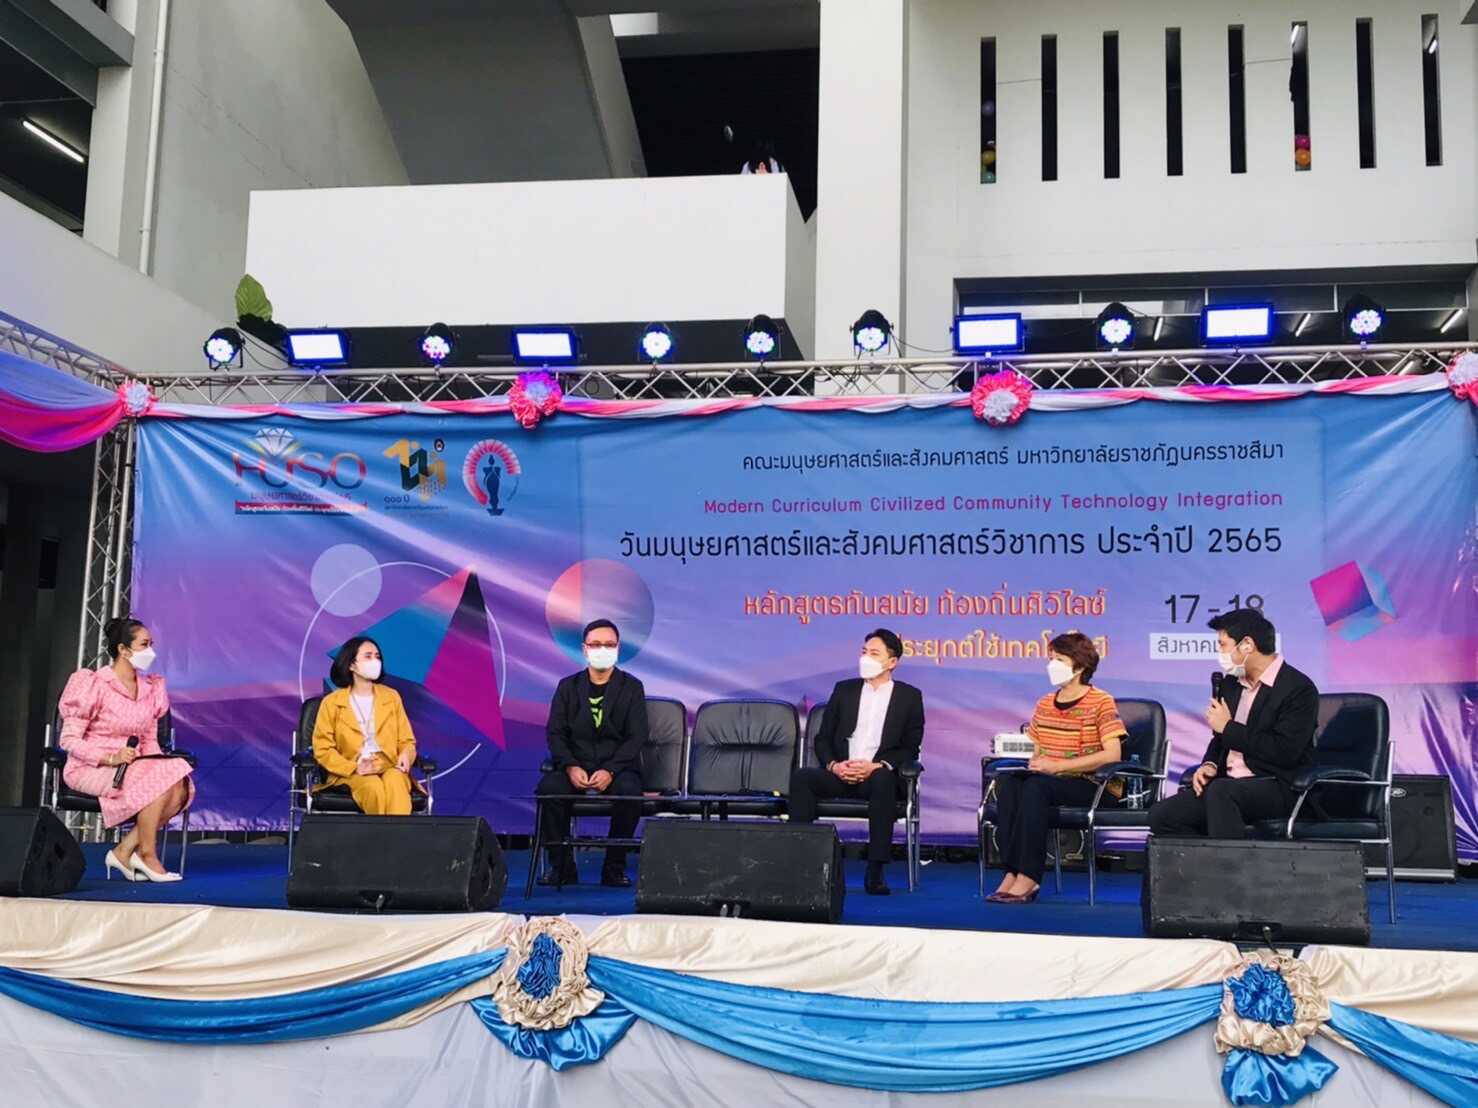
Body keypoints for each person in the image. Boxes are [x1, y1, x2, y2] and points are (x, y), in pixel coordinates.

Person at [1148, 608, 1318, 839]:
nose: (1220, 653)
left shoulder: (1298, 688)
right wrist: (1209, 763)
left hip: (1279, 785)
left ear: (1247, 645)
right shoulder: (1231, 684)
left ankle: (1229, 862)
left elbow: (1285, 752)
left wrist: (1228, 727)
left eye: (1223, 645)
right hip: (1229, 784)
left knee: (1221, 792)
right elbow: (1220, 738)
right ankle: (1209, 860)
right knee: (1162, 816)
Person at [988, 632, 1128, 903]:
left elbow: (1113, 754)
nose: (1052, 665)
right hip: (1050, 779)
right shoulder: (1044, 704)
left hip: (1093, 784)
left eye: (1060, 659)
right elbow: (1035, 748)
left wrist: (1059, 766)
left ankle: (1029, 877)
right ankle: (1011, 870)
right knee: (1011, 783)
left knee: (1036, 787)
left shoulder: (1101, 701)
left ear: (1080, 666)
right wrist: (1020, 754)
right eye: (1051, 658)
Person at [789, 628, 925, 896]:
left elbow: (910, 747)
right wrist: (834, 766)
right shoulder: (844, 690)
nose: (865, 658)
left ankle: (875, 869)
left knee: (884, 780)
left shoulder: (909, 697)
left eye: (874, 653)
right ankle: (800, 864)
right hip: (841, 773)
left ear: (892, 662)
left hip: (876, 777)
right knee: (802, 778)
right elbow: (823, 739)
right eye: (864, 652)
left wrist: (876, 766)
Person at [57, 616, 193, 883]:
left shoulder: (151, 689)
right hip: (91, 767)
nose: (150, 651)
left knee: (178, 783)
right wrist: (110, 758)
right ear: (123, 649)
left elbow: (149, 741)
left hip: (134, 765)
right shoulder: (93, 684)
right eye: (144, 645)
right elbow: (68, 740)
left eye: (151, 644)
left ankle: (124, 851)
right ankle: (147, 854)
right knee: (160, 780)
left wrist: (159, 765)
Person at [537, 619, 648, 887]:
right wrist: (570, 765)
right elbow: (555, 733)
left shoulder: (632, 687)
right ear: (585, 649)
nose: (602, 650)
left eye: (609, 644)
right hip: (575, 765)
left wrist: (610, 770)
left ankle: (614, 867)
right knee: (549, 789)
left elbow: (636, 737)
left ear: (618, 649)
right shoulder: (567, 687)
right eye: (596, 644)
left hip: (617, 767)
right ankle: (562, 867)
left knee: (630, 792)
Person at [311, 636, 420, 815]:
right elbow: (323, 749)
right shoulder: (332, 703)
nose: (375, 661)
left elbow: (407, 740)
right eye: (368, 656)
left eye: (377, 656)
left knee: (396, 782)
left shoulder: (392, 697)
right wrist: (354, 767)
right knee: (373, 787)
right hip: (351, 770)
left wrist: (406, 754)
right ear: (351, 665)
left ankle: (397, 834)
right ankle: (385, 834)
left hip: (388, 764)